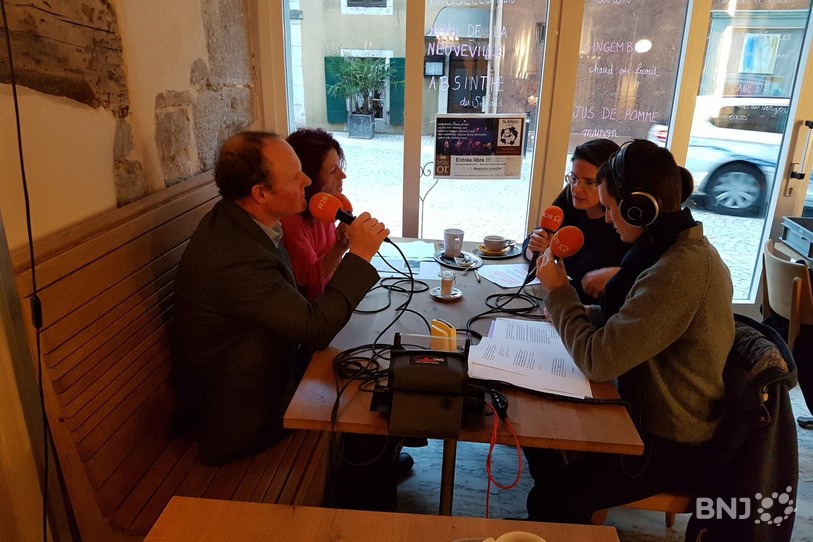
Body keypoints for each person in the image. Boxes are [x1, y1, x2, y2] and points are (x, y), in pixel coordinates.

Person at [526, 139, 735, 523]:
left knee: (551, 497)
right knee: (539, 436)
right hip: (640, 410)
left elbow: (600, 360)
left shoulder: (680, 269)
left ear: (639, 209)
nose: (606, 218)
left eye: (609, 208)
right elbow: (629, 320)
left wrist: (559, 293)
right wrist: (576, 311)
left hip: (671, 442)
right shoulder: (666, 247)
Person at [171, 130, 389, 467]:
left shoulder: (246, 222)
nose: (306, 180)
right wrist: (359, 257)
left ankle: (374, 464)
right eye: (294, 176)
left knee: (373, 371)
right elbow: (315, 329)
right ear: (260, 193)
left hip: (270, 372)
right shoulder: (234, 255)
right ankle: (361, 484)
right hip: (240, 417)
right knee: (365, 397)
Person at [522, 139, 630, 303]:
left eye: (589, 182)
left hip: (587, 313)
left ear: (612, 184)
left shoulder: (622, 226)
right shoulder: (569, 199)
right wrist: (538, 250)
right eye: (573, 178)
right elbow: (529, 244)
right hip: (553, 302)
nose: (577, 188)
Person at [281, 128, 350, 300]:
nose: (343, 175)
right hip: (314, 309)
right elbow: (308, 279)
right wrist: (340, 247)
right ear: (309, 177)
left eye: (339, 166)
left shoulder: (324, 206)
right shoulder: (289, 220)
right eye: (333, 171)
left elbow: (329, 258)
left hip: (333, 295)